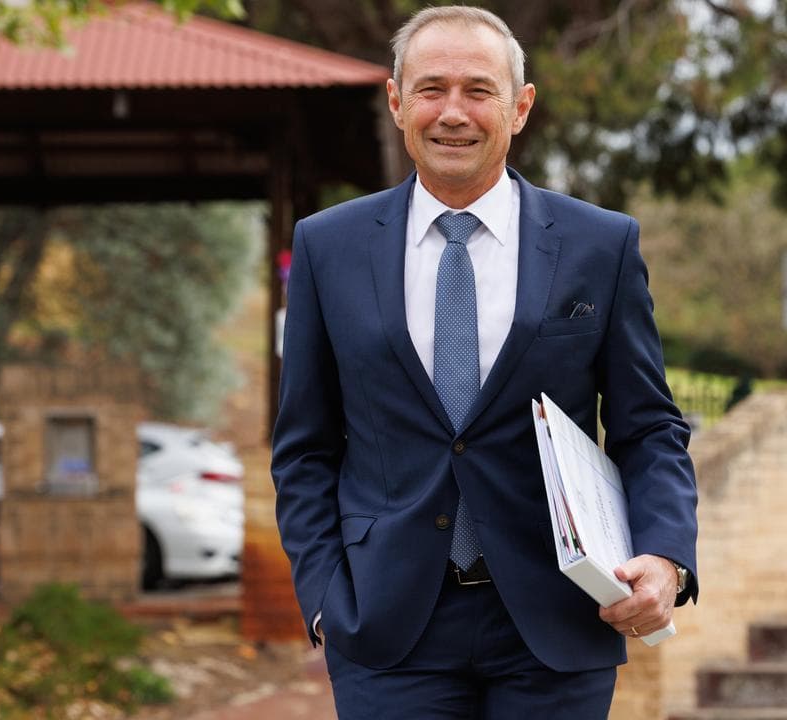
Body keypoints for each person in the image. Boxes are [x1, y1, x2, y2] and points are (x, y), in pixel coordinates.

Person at [271, 6, 698, 718]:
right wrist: (323, 599)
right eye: (432, 88)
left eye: (479, 90)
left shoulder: (601, 247)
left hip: (558, 622)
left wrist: (665, 555)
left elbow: (650, 427)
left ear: (519, 107)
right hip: (385, 628)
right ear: (397, 101)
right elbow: (304, 448)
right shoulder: (327, 248)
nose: (453, 113)